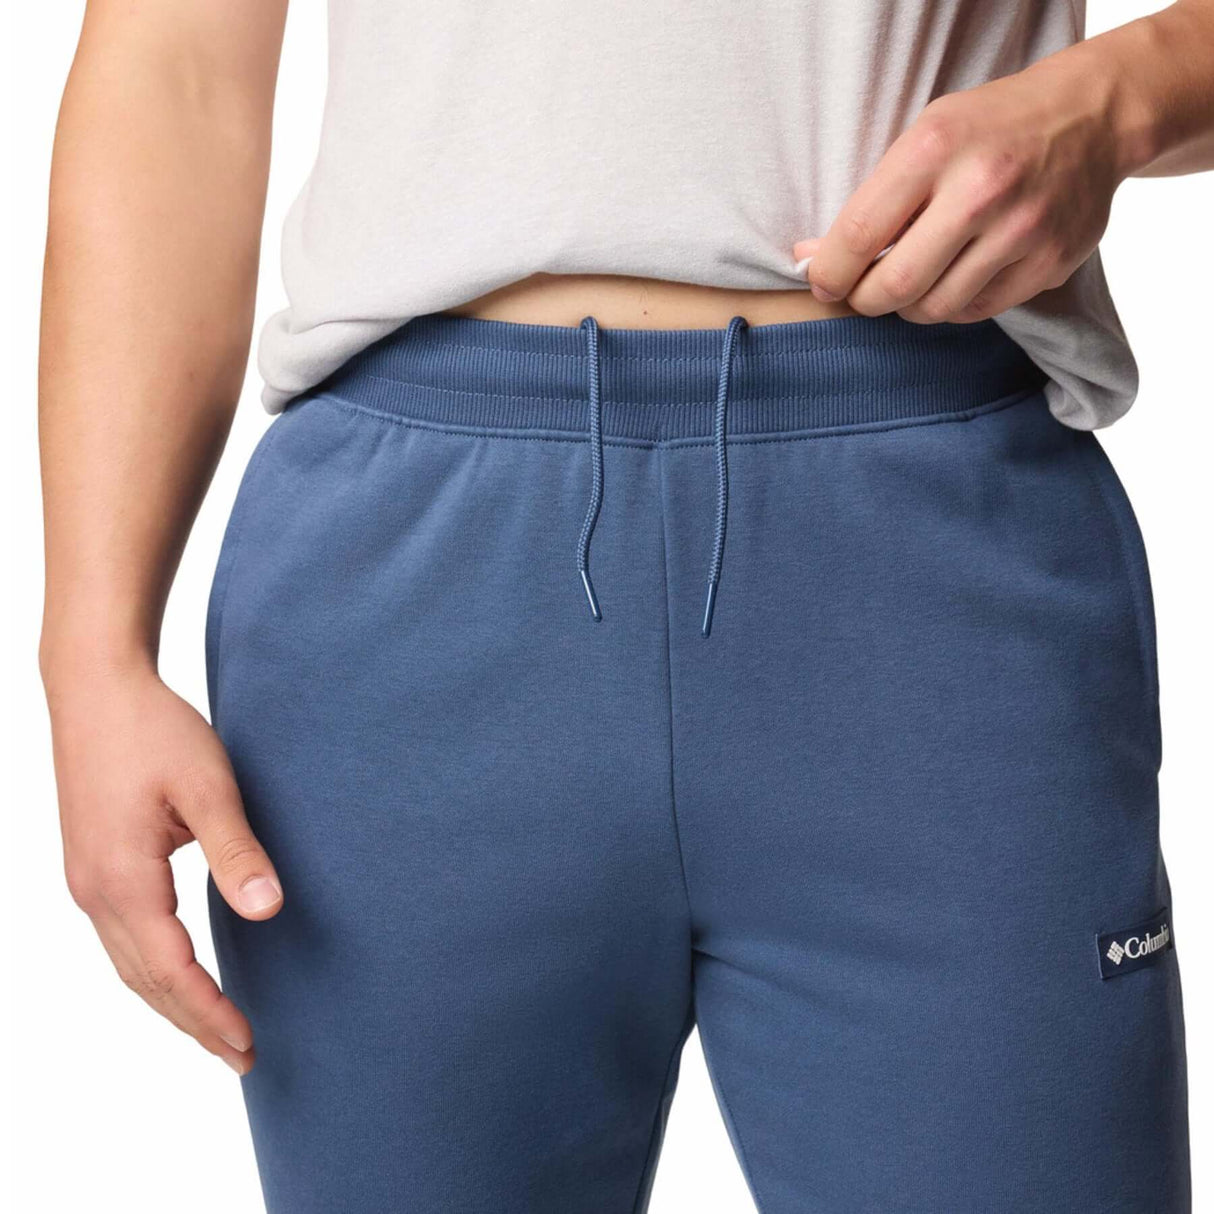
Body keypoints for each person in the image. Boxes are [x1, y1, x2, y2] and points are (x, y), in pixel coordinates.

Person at [38, 1, 1212, 1210]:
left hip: (929, 571)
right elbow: (177, 68)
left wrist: (1116, 100)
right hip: (408, 601)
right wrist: (91, 654)